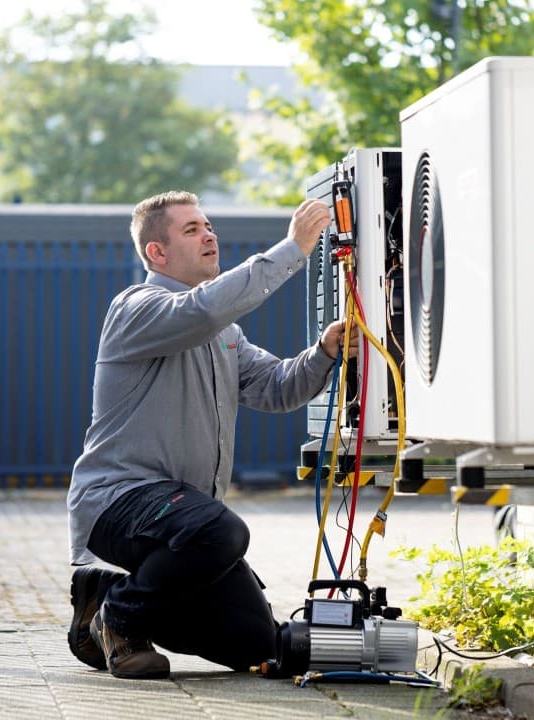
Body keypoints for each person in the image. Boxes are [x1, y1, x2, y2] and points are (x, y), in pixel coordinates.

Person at [66, 190, 352, 679]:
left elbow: (277, 388)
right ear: (157, 252)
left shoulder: (226, 334)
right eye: (191, 229)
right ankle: (121, 618)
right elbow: (201, 311)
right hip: (118, 502)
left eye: (209, 225)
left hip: (181, 522)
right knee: (222, 530)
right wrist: (293, 250)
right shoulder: (136, 307)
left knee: (258, 644)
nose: (209, 234)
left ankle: (106, 599)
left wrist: (324, 351)